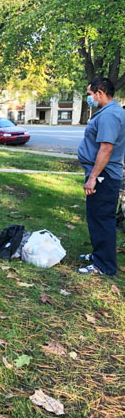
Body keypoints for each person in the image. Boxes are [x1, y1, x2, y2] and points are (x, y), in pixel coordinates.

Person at [77, 77, 125, 275]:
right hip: (105, 174)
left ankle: (104, 265)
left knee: (101, 218)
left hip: (103, 176)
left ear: (100, 93)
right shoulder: (113, 112)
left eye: (89, 94)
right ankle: (100, 254)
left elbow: (106, 148)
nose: (88, 98)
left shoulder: (109, 116)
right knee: (97, 217)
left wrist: (92, 177)